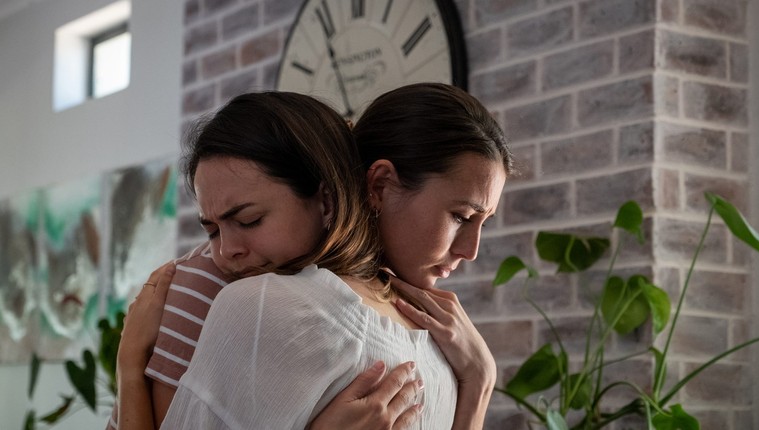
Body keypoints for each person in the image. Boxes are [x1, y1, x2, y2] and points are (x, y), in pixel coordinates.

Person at [118, 83, 513, 428]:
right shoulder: (221, 284)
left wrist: (480, 381)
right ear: (377, 184)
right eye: (460, 216)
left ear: (325, 200)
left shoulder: (416, 324)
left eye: (250, 220)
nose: (226, 250)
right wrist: (130, 368)